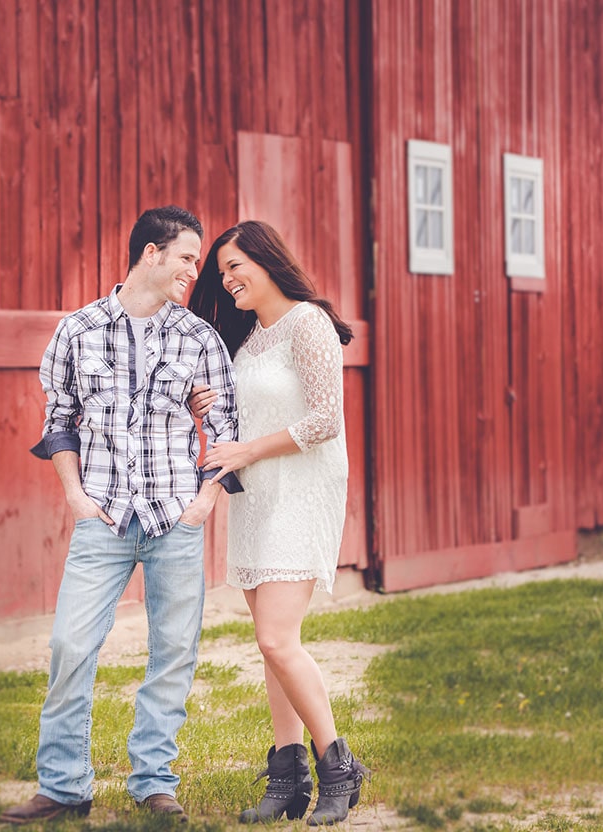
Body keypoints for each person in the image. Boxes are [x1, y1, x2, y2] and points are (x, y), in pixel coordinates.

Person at [2, 206, 243, 826]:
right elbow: (58, 422)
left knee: (173, 653)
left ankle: (154, 782)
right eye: (186, 257)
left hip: (174, 518)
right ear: (150, 253)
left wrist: (202, 505)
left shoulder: (199, 339)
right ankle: (63, 786)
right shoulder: (78, 331)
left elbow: (225, 430)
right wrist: (76, 498)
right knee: (70, 644)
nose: (194, 271)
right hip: (102, 518)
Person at [187, 220, 370, 826]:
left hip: (302, 492)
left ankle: (339, 767)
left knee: (276, 639)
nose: (227, 280)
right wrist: (211, 407)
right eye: (222, 272)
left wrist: (245, 450)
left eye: (235, 266)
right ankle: (288, 778)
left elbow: (325, 420)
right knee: (271, 647)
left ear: (267, 261)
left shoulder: (307, 323)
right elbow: (257, 410)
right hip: (258, 498)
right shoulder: (247, 340)